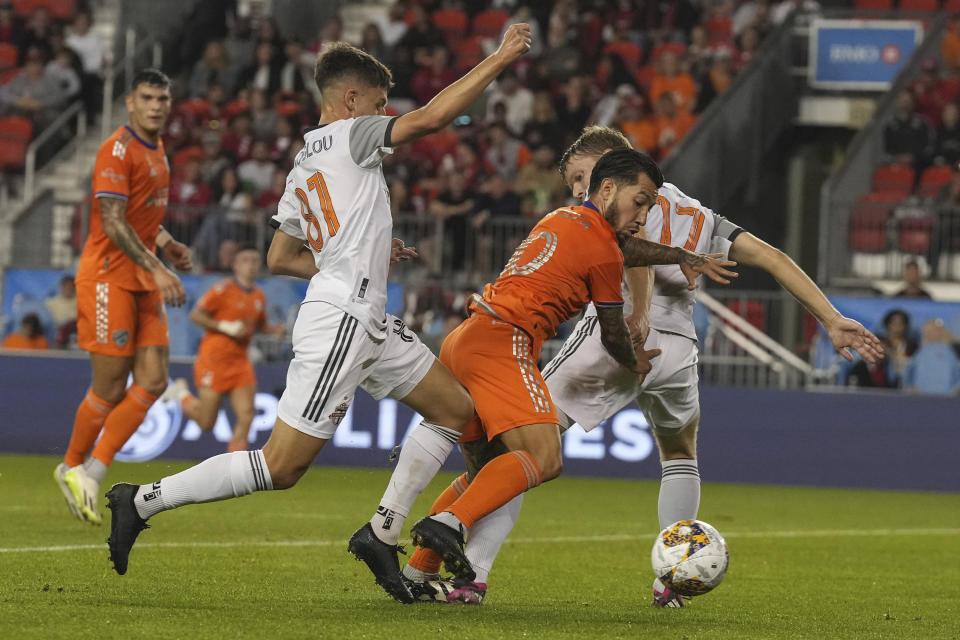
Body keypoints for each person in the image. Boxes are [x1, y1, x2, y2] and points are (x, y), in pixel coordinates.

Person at [103, 26, 534, 605]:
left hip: (364, 312)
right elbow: (432, 119)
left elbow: (282, 257)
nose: (388, 114)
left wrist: (364, 254)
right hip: (342, 318)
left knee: (459, 411)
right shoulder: (354, 134)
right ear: (352, 100)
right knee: (281, 467)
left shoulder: (305, 162)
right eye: (382, 103)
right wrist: (500, 56)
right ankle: (142, 499)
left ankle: (383, 530)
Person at [399, 126, 884, 606]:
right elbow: (773, 257)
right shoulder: (698, 212)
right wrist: (832, 318)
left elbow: (630, 257)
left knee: (517, 451)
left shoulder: (623, 207)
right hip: (679, 350)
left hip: (619, 339)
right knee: (679, 452)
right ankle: (672, 582)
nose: (576, 191)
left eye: (580, 177)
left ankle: (468, 575)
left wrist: (638, 313)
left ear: (612, 165)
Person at [369, 146, 738, 601]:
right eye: (640, 202)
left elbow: (627, 248)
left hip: (468, 336)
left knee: (489, 466)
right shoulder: (603, 250)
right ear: (607, 189)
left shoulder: (563, 219)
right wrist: (634, 361)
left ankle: (420, 571)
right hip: (504, 343)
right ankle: (448, 524)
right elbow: (613, 328)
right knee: (544, 458)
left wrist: (680, 253)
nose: (644, 214)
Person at [53, 69, 192, 526]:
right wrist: (158, 265)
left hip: (141, 276)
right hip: (109, 278)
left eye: (163, 98)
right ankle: (71, 466)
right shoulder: (117, 149)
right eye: (148, 97)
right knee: (110, 387)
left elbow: (141, 216)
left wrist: (166, 242)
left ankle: (91, 472)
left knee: (152, 382)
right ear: (130, 101)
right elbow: (113, 220)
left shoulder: (157, 148)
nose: (156, 105)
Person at [161, 245, 284, 452]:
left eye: (255, 260)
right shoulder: (223, 289)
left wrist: (274, 330)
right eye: (246, 260)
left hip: (240, 363)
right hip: (214, 360)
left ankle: (233, 467)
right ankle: (182, 393)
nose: (251, 265)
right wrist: (223, 326)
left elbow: (259, 325)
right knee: (206, 423)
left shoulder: (258, 296)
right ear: (235, 265)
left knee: (246, 415)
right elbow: (195, 315)